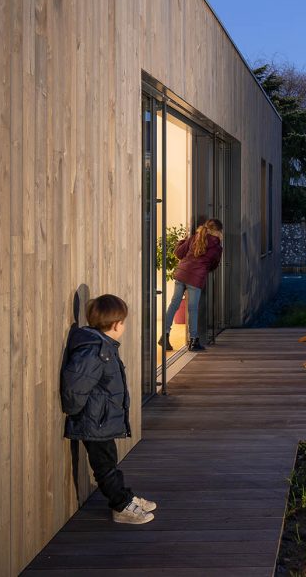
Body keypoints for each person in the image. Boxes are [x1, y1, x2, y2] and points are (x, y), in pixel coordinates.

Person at [60, 294, 157, 525]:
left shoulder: (104, 346)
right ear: (115, 324)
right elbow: (76, 384)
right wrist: (77, 413)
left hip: (99, 420)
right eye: (123, 321)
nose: (124, 325)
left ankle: (124, 496)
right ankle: (121, 506)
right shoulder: (95, 351)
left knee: (109, 462)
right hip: (94, 422)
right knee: (104, 466)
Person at [161, 218, 224, 352]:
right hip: (195, 279)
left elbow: (178, 253)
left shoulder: (195, 237)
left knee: (174, 304)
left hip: (182, 274)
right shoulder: (217, 246)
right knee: (193, 309)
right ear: (218, 231)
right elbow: (214, 265)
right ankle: (193, 341)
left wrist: (184, 240)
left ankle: (164, 335)